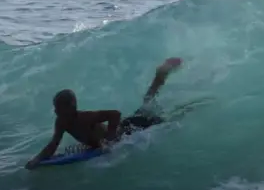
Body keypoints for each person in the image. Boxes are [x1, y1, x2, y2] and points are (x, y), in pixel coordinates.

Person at [25, 58, 182, 170]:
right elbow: (54, 144)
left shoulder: (85, 117)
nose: (55, 111)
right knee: (147, 104)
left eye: (59, 108)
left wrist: (109, 139)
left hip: (131, 128)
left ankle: (162, 76)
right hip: (123, 128)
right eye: (55, 107)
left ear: (71, 107)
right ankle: (160, 76)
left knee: (166, 116)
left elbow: (115, 114)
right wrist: (37, 159)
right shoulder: (61, 122)